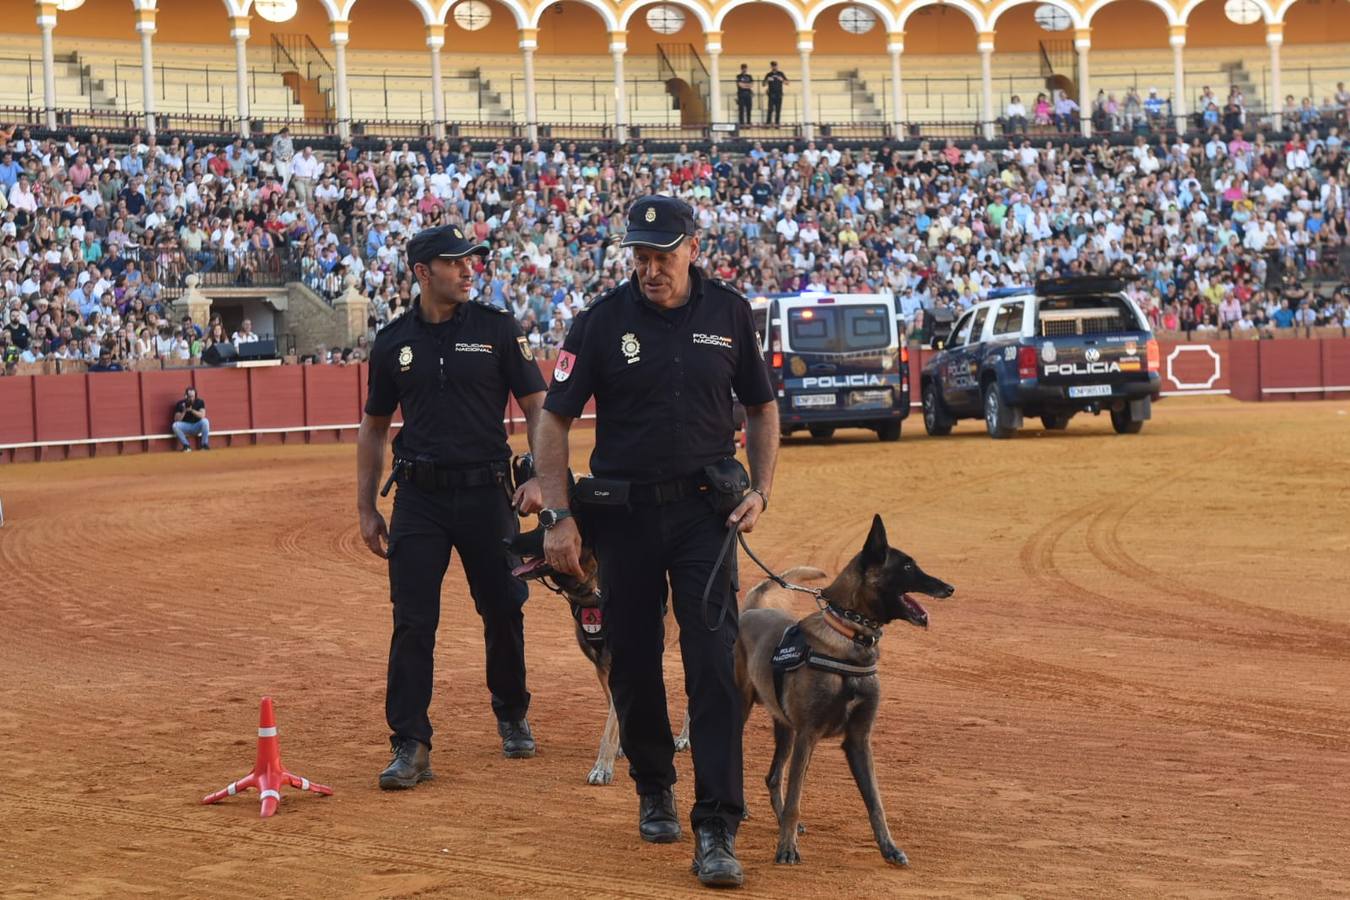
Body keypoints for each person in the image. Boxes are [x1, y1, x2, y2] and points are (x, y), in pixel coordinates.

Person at [535, 196, 779, 889]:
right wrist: (558, 515)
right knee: (635, 662)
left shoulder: (730, 314)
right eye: (639, 258)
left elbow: (761, 407)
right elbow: (553, 422)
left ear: (692, 248)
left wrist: (761, 489)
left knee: (711, 665)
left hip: (707, 518)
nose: (650, 270)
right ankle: (653, 785)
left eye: (661, 256)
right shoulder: (601, 322)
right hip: (625, 521)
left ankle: (717, 827)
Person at [357, 224, 548, 791]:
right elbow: (373, 429)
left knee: (503, 607)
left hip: (490, 492)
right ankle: (410, 743)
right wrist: (366, 507)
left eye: (472, 262)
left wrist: (538, 474)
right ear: (422, 272)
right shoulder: (393, 341)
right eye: (455, 262)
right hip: (418, 496)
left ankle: (512, 711)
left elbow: (538, 404)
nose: (469, 271)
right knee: (413, 619)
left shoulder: (496, 329)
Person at [172, 386, 210, 452]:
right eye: (189, 396)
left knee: (205, 421)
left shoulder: (200, 402)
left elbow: (202, 415)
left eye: (193, 396)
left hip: (196, 425)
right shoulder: (180, 404)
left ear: (195, 395)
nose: (191, 398)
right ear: (186, 396)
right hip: (185, 426)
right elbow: (177, 419)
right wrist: (184, 411)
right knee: (175, 425)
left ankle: (204, 445)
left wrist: (192, 410)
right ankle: (186, 446)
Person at [763, 61, 788, 126]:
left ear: (777, 66)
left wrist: (781, 79)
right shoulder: (769, 74)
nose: (774, 67)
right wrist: (767, 80)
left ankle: (777, 124)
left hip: (779, 94)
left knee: (778, 110)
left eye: (775, 65)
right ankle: (768, 124)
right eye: (773, 65)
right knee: (770, 109)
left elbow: (787, 82)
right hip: (771, 94)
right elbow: (763, 84)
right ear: (771, 67)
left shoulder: (780, 73)